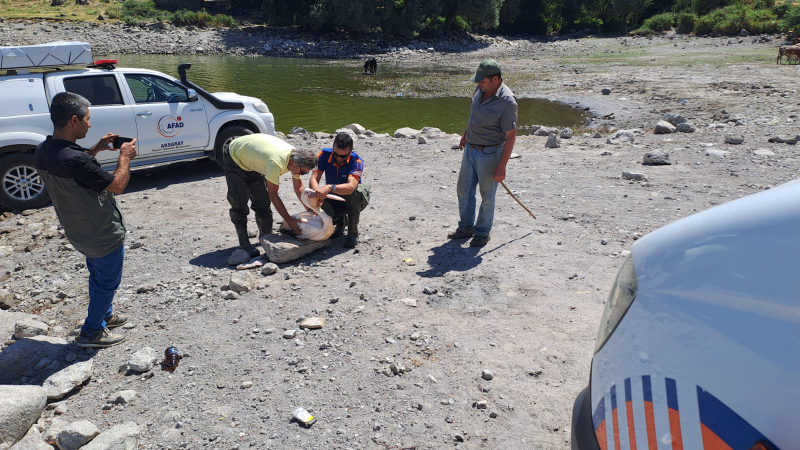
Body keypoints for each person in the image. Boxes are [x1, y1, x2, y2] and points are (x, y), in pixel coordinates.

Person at [34, 92, 137, 348]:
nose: (89, 125)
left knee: (98, 276)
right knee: (107, 282)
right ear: (73, 120)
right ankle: (92, 332)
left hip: (78, 229)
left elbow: (77, 171)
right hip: (100, 232)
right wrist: (124, 157)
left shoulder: (45, 150)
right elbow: (117, 186)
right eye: (87, 119)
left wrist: (97, 149)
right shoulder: (76, 159)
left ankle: (105, 315)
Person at [448, 59, 518, 247]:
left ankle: (482, 232)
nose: (478, 83)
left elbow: (510, 136)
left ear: (495, 79)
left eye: (482, 80)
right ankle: (466, 227)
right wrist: (465, 134)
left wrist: (502, 165)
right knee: (464, 190)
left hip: (490, 153)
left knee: (487, 195)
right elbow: (474, 115)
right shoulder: (481, 89)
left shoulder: (507, 102)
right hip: (471, 149)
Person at [223, 133, 317, 255]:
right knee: (239, 202)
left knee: (262, 202)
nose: (303, 174)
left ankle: (266, 238)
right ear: (294, 163)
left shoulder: (295, 158)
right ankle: (244, 244)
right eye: (303, 172)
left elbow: (298, 187)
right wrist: (288, 220)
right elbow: (274, 195)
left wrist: (309, 209)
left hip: (253, 159)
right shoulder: (275, 163)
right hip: (234, 157)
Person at [309, 133, 370, 248]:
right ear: (333, 148)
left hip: (354, 198)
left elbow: (351, 187)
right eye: (336, 154)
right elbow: (314, 178)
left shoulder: (356, 161)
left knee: (353, 194)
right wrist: (317, 192)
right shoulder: (323, 154)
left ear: (350, 151)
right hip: (333, 195)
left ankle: (352, 232)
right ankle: (340, 222)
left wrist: (330, 187)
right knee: (313, 200)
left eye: (343, 156)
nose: (339, 158)